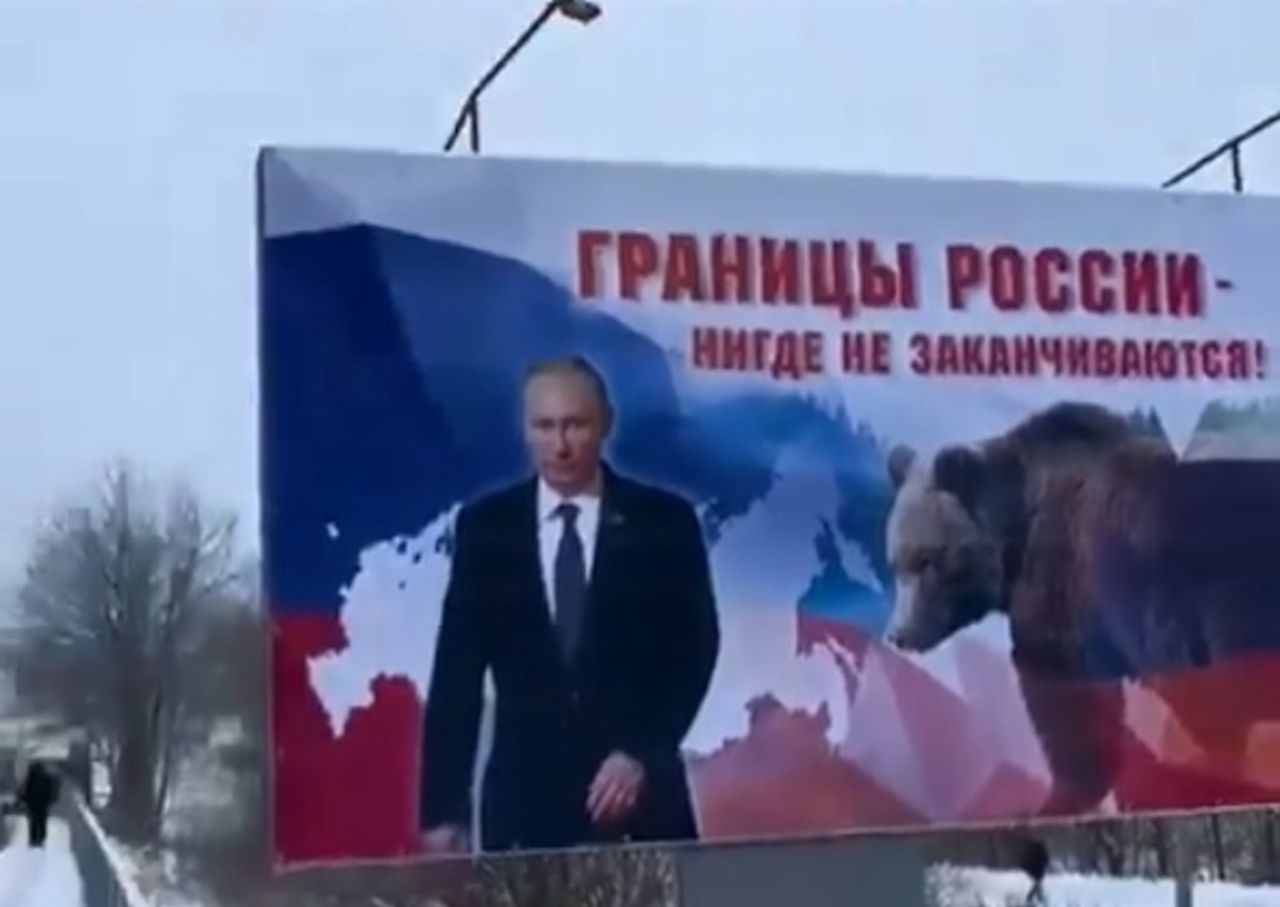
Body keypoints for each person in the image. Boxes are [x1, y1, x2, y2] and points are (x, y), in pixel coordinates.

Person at [419, 355, 720, 854]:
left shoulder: (663, 523)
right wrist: (443, 811)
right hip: (525, 813)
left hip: (641, 808)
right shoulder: (487, 529)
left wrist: (643, 752)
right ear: (526, 429)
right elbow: (457, 674)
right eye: (545, 426)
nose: (560, 446)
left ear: (605, 425)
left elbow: (695, 650)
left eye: (575, 425)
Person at [18, 760, 59, 848]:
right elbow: (50, 791)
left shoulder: (30, 778)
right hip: (43, 804)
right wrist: (51, 800)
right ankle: (41, 838)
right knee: (42, 821)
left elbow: (25, 791)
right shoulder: (46, 778)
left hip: (32, 803)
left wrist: (23, 800)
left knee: (33, 821)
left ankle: (33, 839)